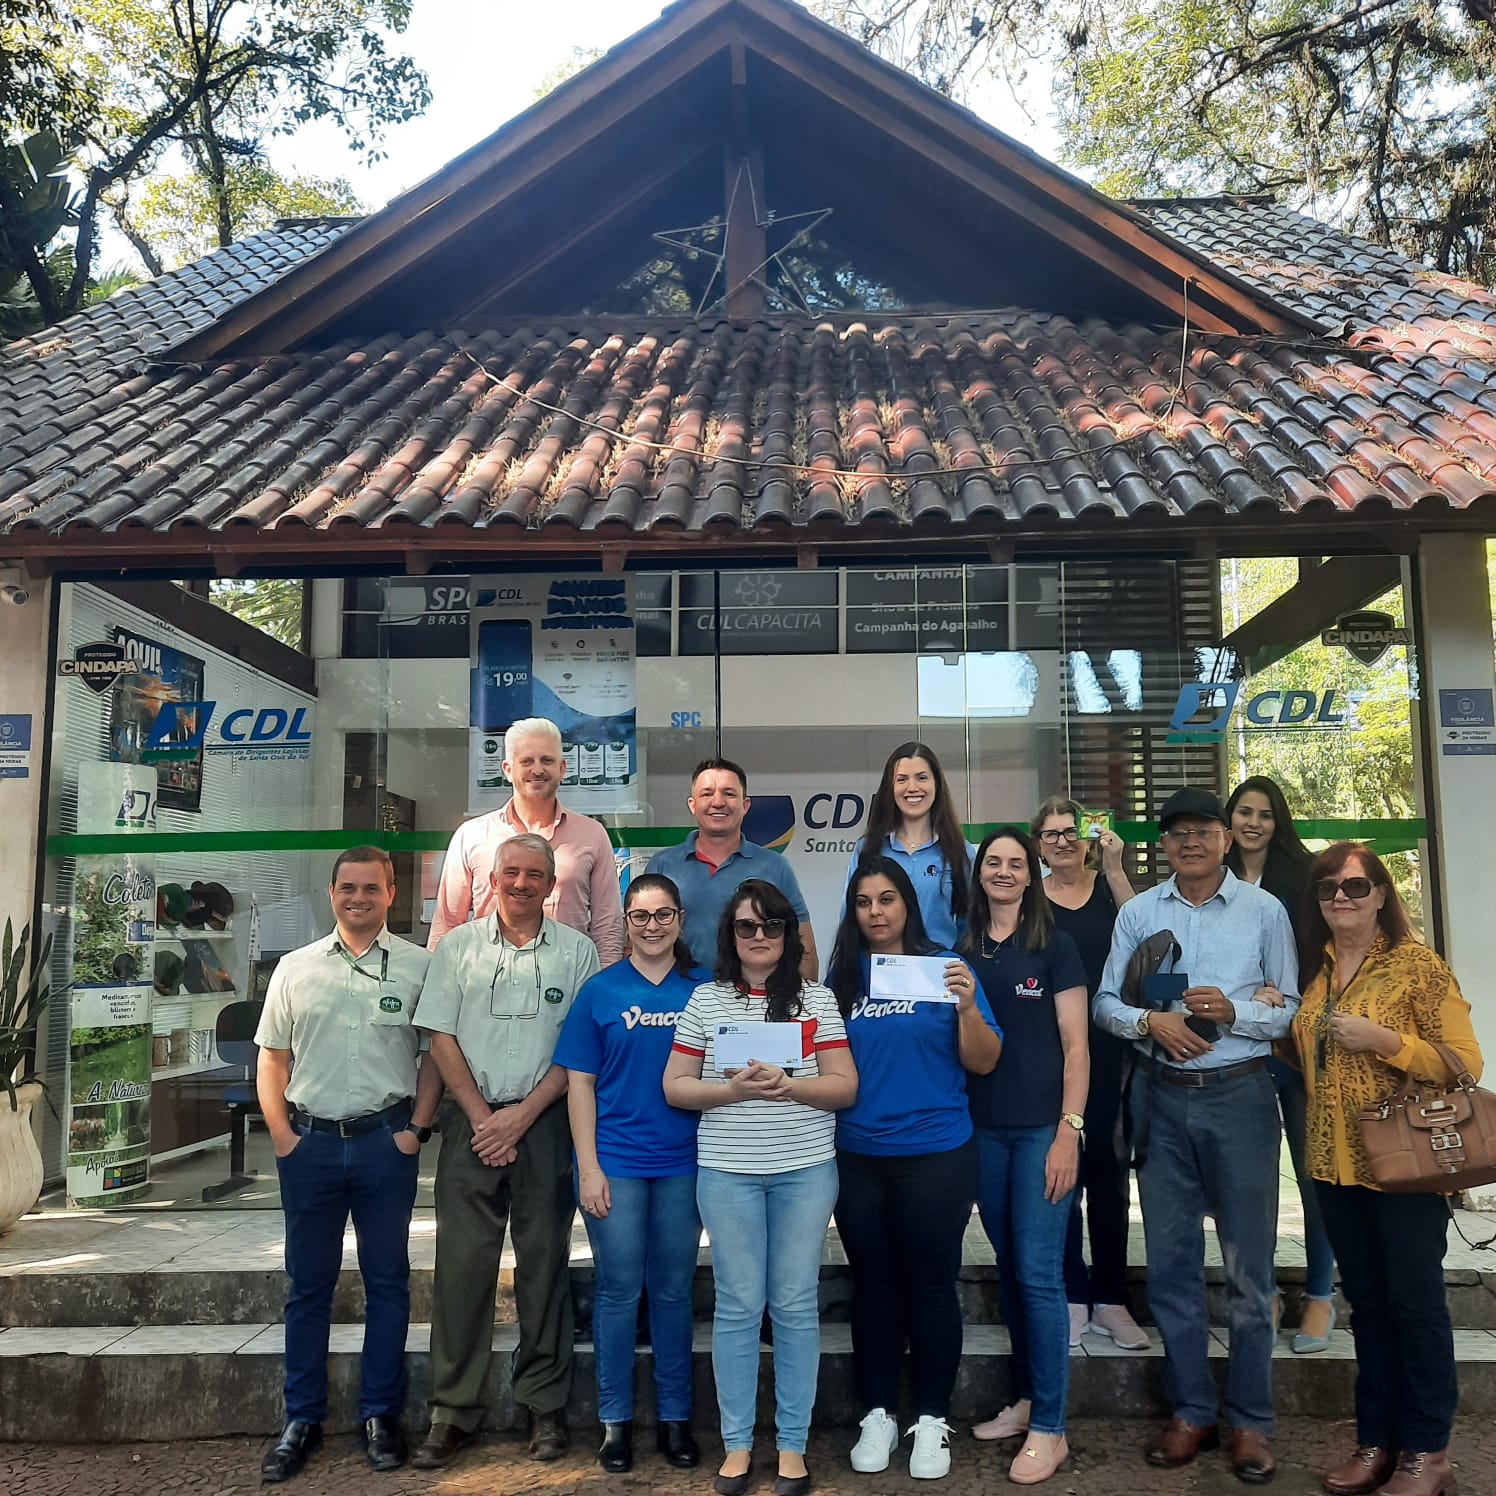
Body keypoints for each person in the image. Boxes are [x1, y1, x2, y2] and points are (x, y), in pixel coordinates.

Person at [1093, 787, 1299, 1484]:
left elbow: (1289, 1009)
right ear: (1166, 843)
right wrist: (1150, 1023)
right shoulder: (1137, 912)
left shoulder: (1264, 911)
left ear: (1224, 838)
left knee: (1249, 1271)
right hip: (1161, 1100)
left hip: (1240, 1096)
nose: (1190, 842)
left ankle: (1250, 1421)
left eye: (1203, 830)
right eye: (1177, 832)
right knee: (1173, 1266)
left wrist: (1236, 1009)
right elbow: (1105, 1002)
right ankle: (1190, 1411)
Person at [1292, 844, 1480, 1496]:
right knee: (1367, 1307)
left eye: (1354, 886)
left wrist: (1386, 1042)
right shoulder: (1317, 973)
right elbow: (1314, 1064)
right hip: (1332, 1167)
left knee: (1415, 1305)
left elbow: (1464, 1063)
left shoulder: (1417, 967)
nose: (1340, 898)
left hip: (1402, 1168)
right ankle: (1376, 1441)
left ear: (1379, 893)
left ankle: (1428, 1453)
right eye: (1327, 890)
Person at [411, 833, 601, 1470]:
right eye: (511, 873)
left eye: (534, 875)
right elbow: (438, 1035)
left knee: (544, 1266)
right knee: (462, 1269)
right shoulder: (457, 948)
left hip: (543, 1122)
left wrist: (519, 1117)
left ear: (552, 887)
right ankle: (452, 1411)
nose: (521, 884)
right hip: (472, 1124)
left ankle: (544, 1408)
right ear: (493, 879)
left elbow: (579, 1051)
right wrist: (482, 1117)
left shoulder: (578, 954)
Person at [663, 880, 858, 1496]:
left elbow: (844, 1086)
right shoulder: (706, 1001)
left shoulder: (817, 1001)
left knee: (796, 1305)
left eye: (771, 926)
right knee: (739, 1305)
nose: (759, 937)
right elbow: (675, 1085)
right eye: (746, 927)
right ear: (730, 936)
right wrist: (732, 1092)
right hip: (727, 1172)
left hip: (804, 1170)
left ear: (787, 934)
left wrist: (790, 1086)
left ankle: (793, 1446)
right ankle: (739, 1444)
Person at [254, 846, 441, 1484]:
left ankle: (380, 1416)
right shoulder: (295, 969)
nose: (358, 898)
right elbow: (271, 1059)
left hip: (385, 1145)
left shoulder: (419, 967)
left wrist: (416, 1130)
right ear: (331, 893)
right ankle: (301, 1419)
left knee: (387, 1283)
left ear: (392, 894)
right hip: (309, 1146)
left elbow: (433, 1057)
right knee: (308, 1286)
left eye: (371, 888)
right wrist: (281, 1135)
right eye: (347, 888)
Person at [825, 856, 1003, 1482]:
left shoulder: (946, 971)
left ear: (907, 905)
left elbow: (983, 1062)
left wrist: (967, 1008)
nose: (876, 912)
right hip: (859, 1157)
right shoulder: (842, 980)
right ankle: (877, 1414)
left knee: (931, 1287)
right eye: (865, 902)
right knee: (872, 1285)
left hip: (937, 1155)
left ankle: (930, 1419)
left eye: (887, 900)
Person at [553, 873, 707, 1474]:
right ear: (625, 921)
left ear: (679, 920)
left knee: (672, 1292)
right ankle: (614, 1423)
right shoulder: (599, 993)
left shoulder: (703, 990)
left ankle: (675, 1419)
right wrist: (588, 1167)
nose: (651, 926)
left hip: (684, 1164)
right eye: (640, 916)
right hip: (614, 1162)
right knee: (618, 1291)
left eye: (662, 914)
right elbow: (579, 1085)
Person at [963, 828, 1089, 1486]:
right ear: (979, 872)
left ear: (1030, 873)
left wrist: (1071, 1129)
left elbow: (1076, 1047)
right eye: (994, 862)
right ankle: (1027, 1402)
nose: (1005, 872)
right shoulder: (962, 947)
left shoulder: (1055, 945)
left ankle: (1052, 1428)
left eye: (1016, 862)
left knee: (1040, 1274)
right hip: (982, 1132)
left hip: (1044, 1130)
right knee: (1011, 1268)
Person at [1224, 775, 1337, 1355]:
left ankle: (1320, 1295)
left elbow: (1328, 956)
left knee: (1313, 1173)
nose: (1252, 823)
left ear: (1279, 822)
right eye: (1243, 811)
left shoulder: (1308, 876)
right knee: (1251, 1183)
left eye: (1264, 814)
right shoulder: (1212, 879)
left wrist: (1288, 996)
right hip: (1237, 1050)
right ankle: (1261, 1292)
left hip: (1297, 1049)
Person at [1030, 796, 1145, 1353]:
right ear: (1037, 845)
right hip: (1050, 1055)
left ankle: (1112, 1297)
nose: (1060, 841)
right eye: (1049, 834)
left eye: (1070, 832)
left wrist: (1117, 869)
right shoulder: (1031, 899)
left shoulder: (1107, 887)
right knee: (1061, 1172)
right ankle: (1073, 1293)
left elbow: (1147, 937)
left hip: (1109, 1046)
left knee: (1107, 1171)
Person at [429, 716, 624, 964]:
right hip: (486, 983)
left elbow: (607, 926)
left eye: (547, 760)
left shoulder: (592, 836)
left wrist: (603, 994)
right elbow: (446, 923)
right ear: (508, 770)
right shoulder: (471, 836)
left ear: (562, 769)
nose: (538, 770)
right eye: (527, 761)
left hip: (569, 982)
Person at [646, 757, 817, 977]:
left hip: (756, 1002)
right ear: (692, 805)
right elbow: (638, 942)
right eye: (707, 793)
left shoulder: (774, 866)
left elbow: (804, 948)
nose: (718, 802)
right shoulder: (663, 865)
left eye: (729, 793)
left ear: (745, 805)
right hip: (678, 1001)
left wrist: (804, 1007)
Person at [844, 741, 975, 950]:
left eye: (922, 778)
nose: (912, 788)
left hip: (938, 972)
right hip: (879, 970)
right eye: (902, 779)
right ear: (890, 788)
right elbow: (849, 918)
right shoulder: (868, 849)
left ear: (937, 784)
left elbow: (970, 923)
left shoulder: (960, 851)